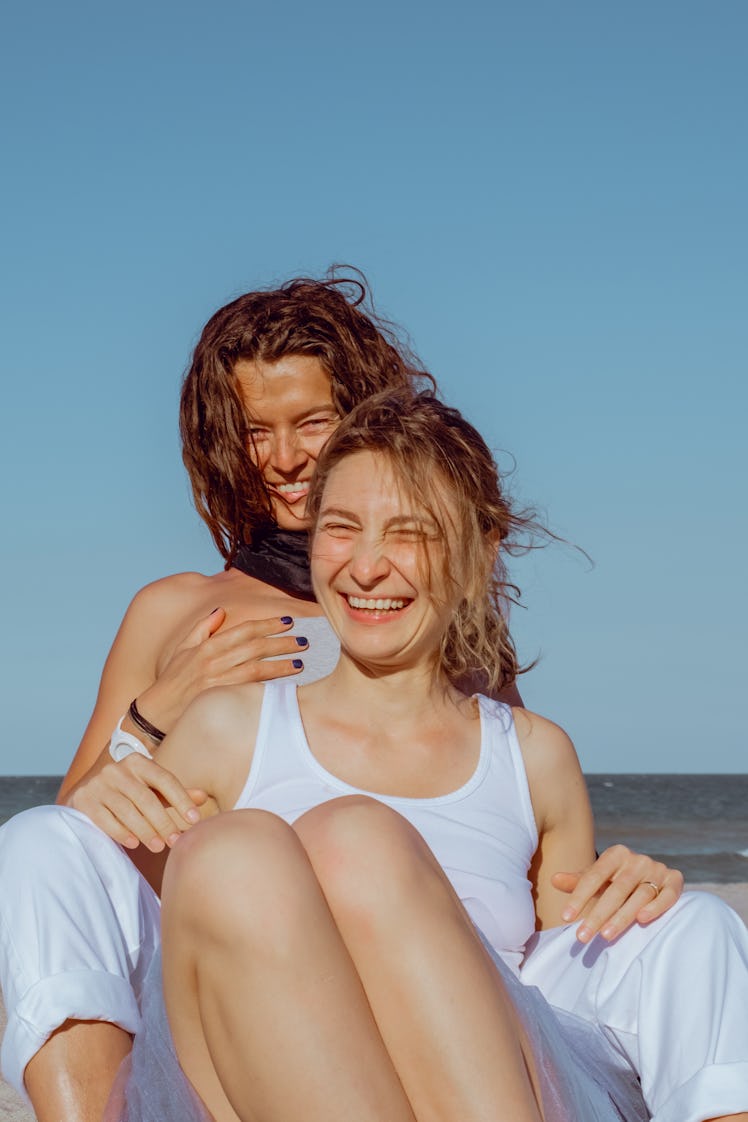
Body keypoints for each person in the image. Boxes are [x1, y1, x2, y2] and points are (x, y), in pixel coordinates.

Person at [0, 273, 683, 1122]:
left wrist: (634, 888)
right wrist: (157, 708)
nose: (284, 458)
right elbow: (80, 852)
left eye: (311, 423)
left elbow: (507, 815)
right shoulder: (177, 609)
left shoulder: (417, 602)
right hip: (240, 944)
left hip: (418, 960)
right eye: (255, 432)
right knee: (31, 840)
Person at [101, 389, 748, 1122]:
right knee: (236, 851)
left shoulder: (532, 757)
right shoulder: (225, 730)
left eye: (409, 534)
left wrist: (639, 889)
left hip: (489, 1081)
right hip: (266, 1072)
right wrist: (114, 772)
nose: (367, 568)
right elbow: (122, 910)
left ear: (479, 555)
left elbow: (571, 974)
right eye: (340, 528)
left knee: (356, 839)